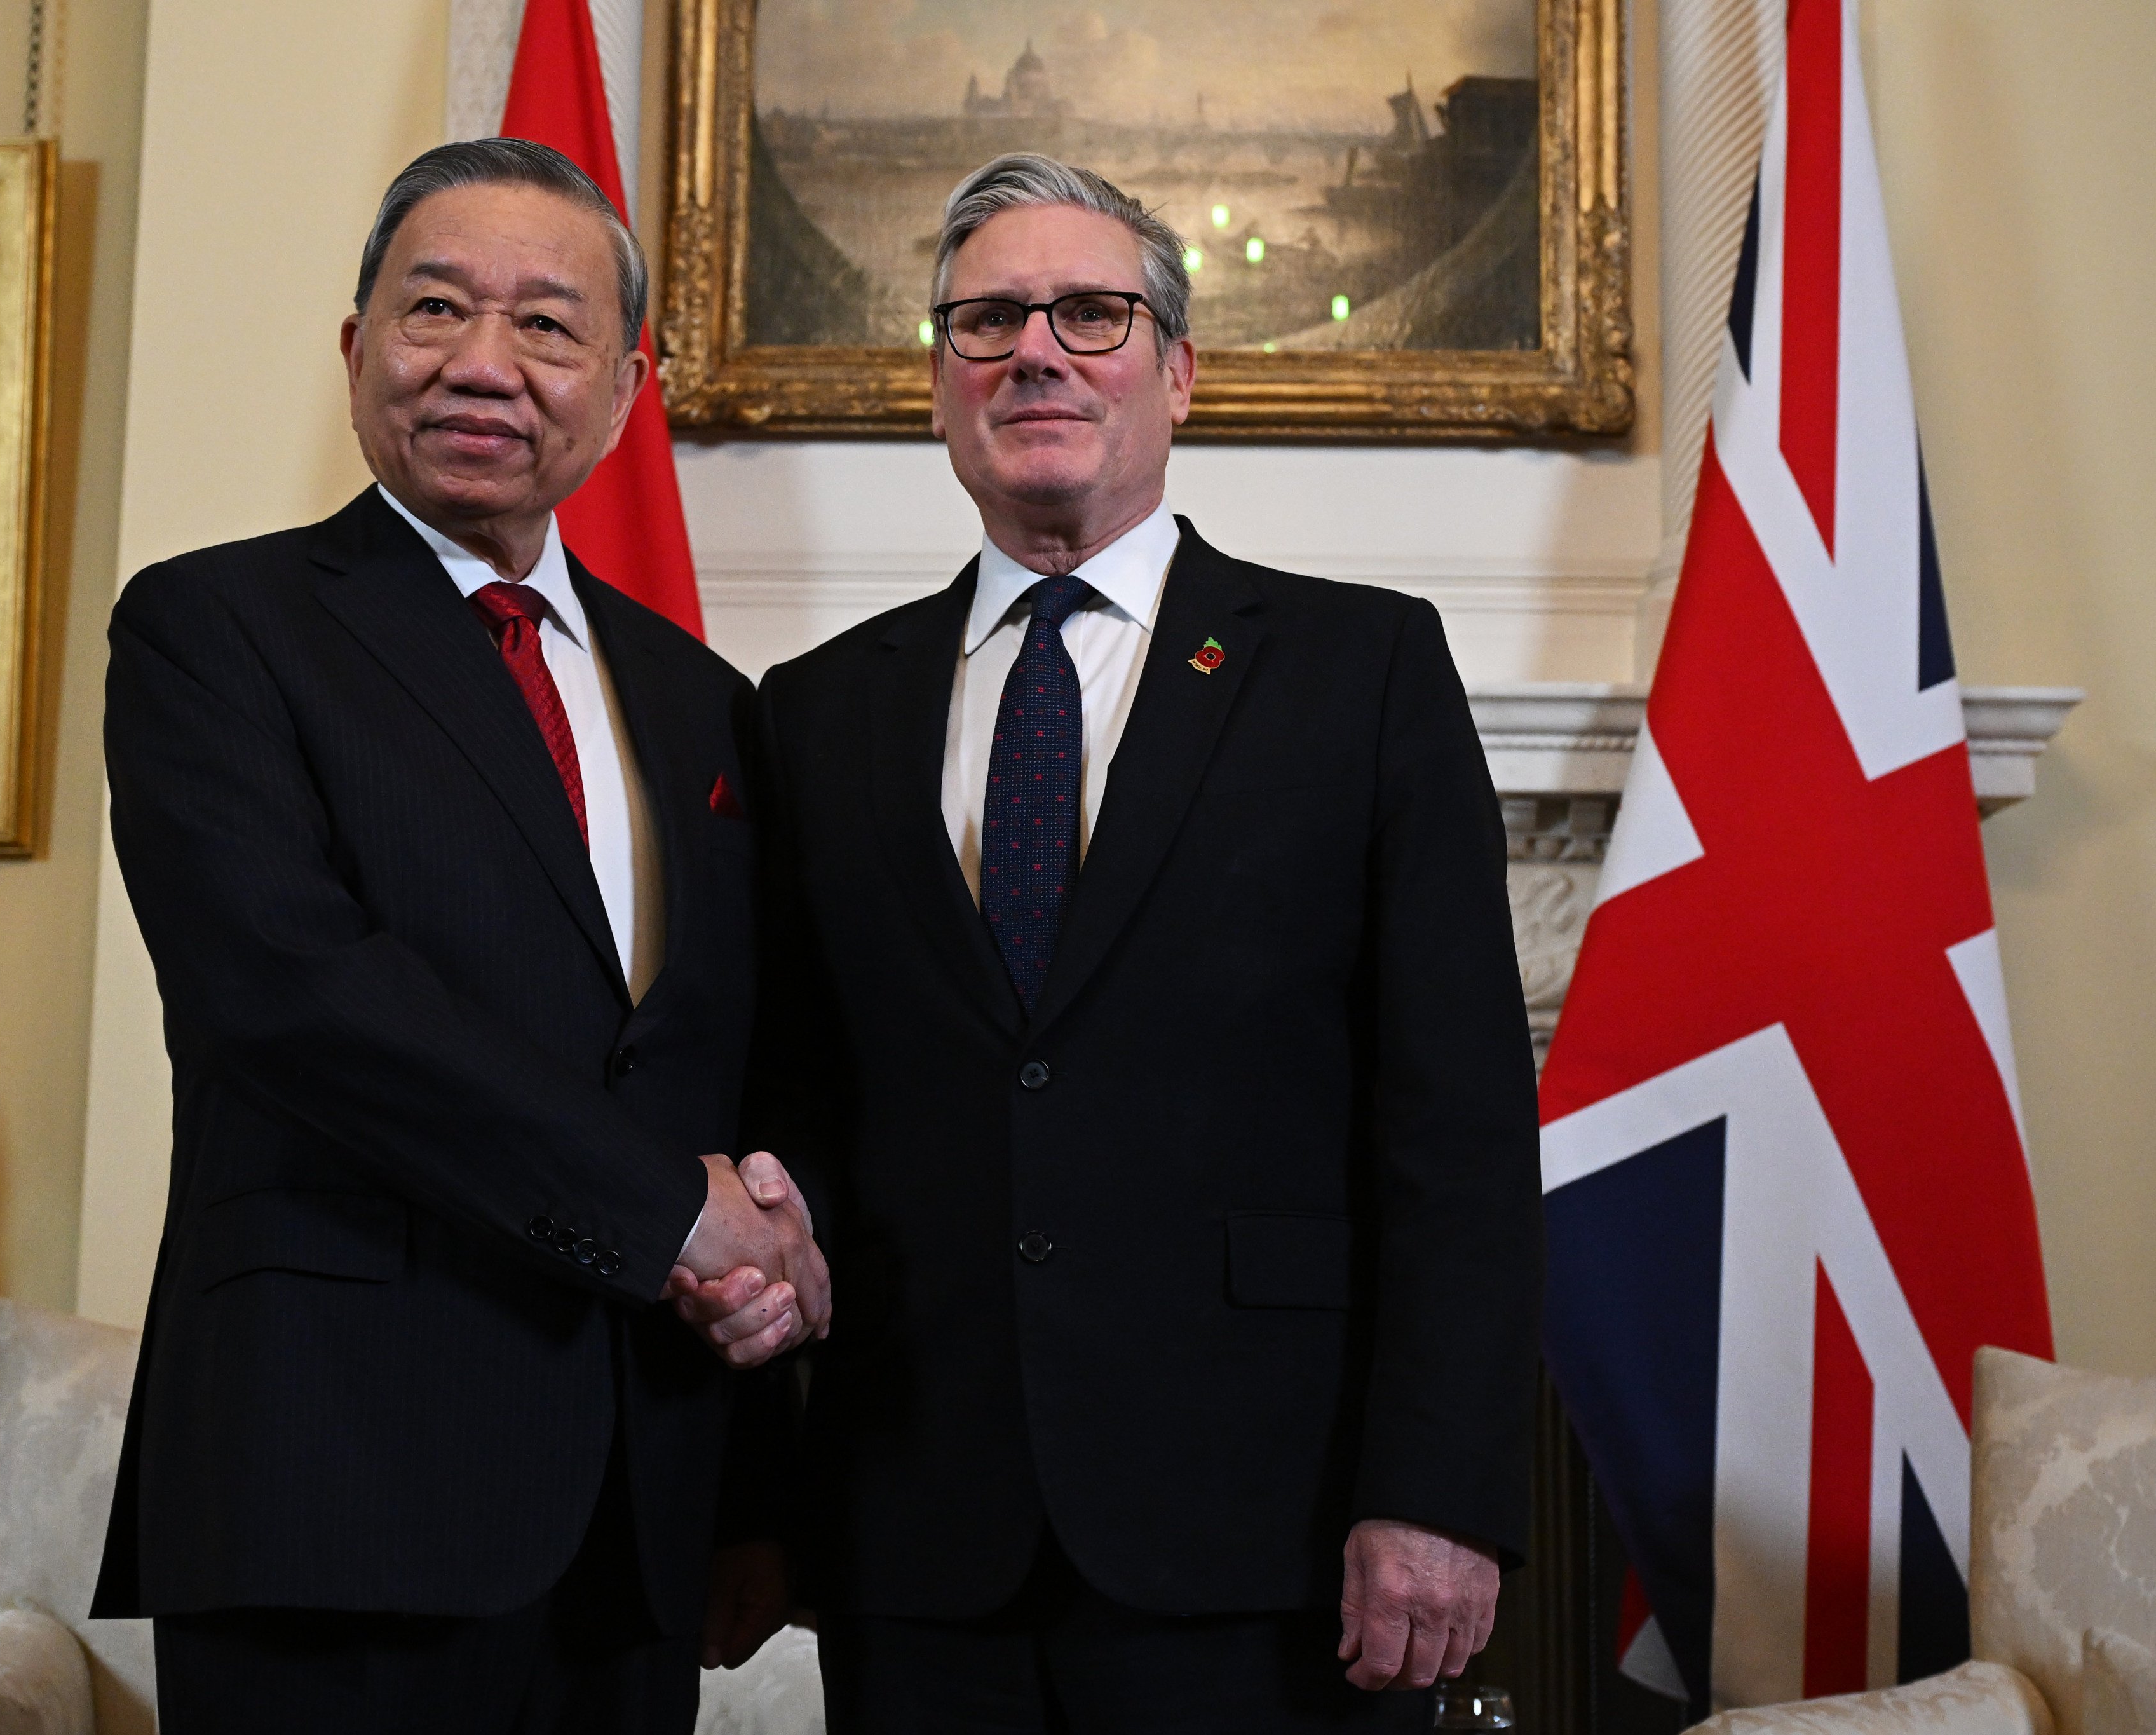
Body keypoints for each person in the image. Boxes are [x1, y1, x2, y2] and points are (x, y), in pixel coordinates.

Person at [750, 153, 1545, 1731]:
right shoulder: (814, 711)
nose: (1033, 350)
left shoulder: (1358, 667)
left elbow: (1453, 1127)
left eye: (1089, 313)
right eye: (984, 321)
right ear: (936, 385)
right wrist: (745, 1498)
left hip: (1272, 1535)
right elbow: (789, 1117)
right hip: (919, 1537)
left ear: (1176, 374)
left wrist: (1439, 1491)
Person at [90, 138, 822, 1735]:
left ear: (625, 387)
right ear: (356, 351)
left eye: (548, 326)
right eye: (434, 310)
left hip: (631, 1518)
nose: (483, 363)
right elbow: (294, 996)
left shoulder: (696, 699)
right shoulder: (213, 631)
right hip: (334, 1492)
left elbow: (722, 1076)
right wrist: (666, 1216)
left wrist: (748, 1488)